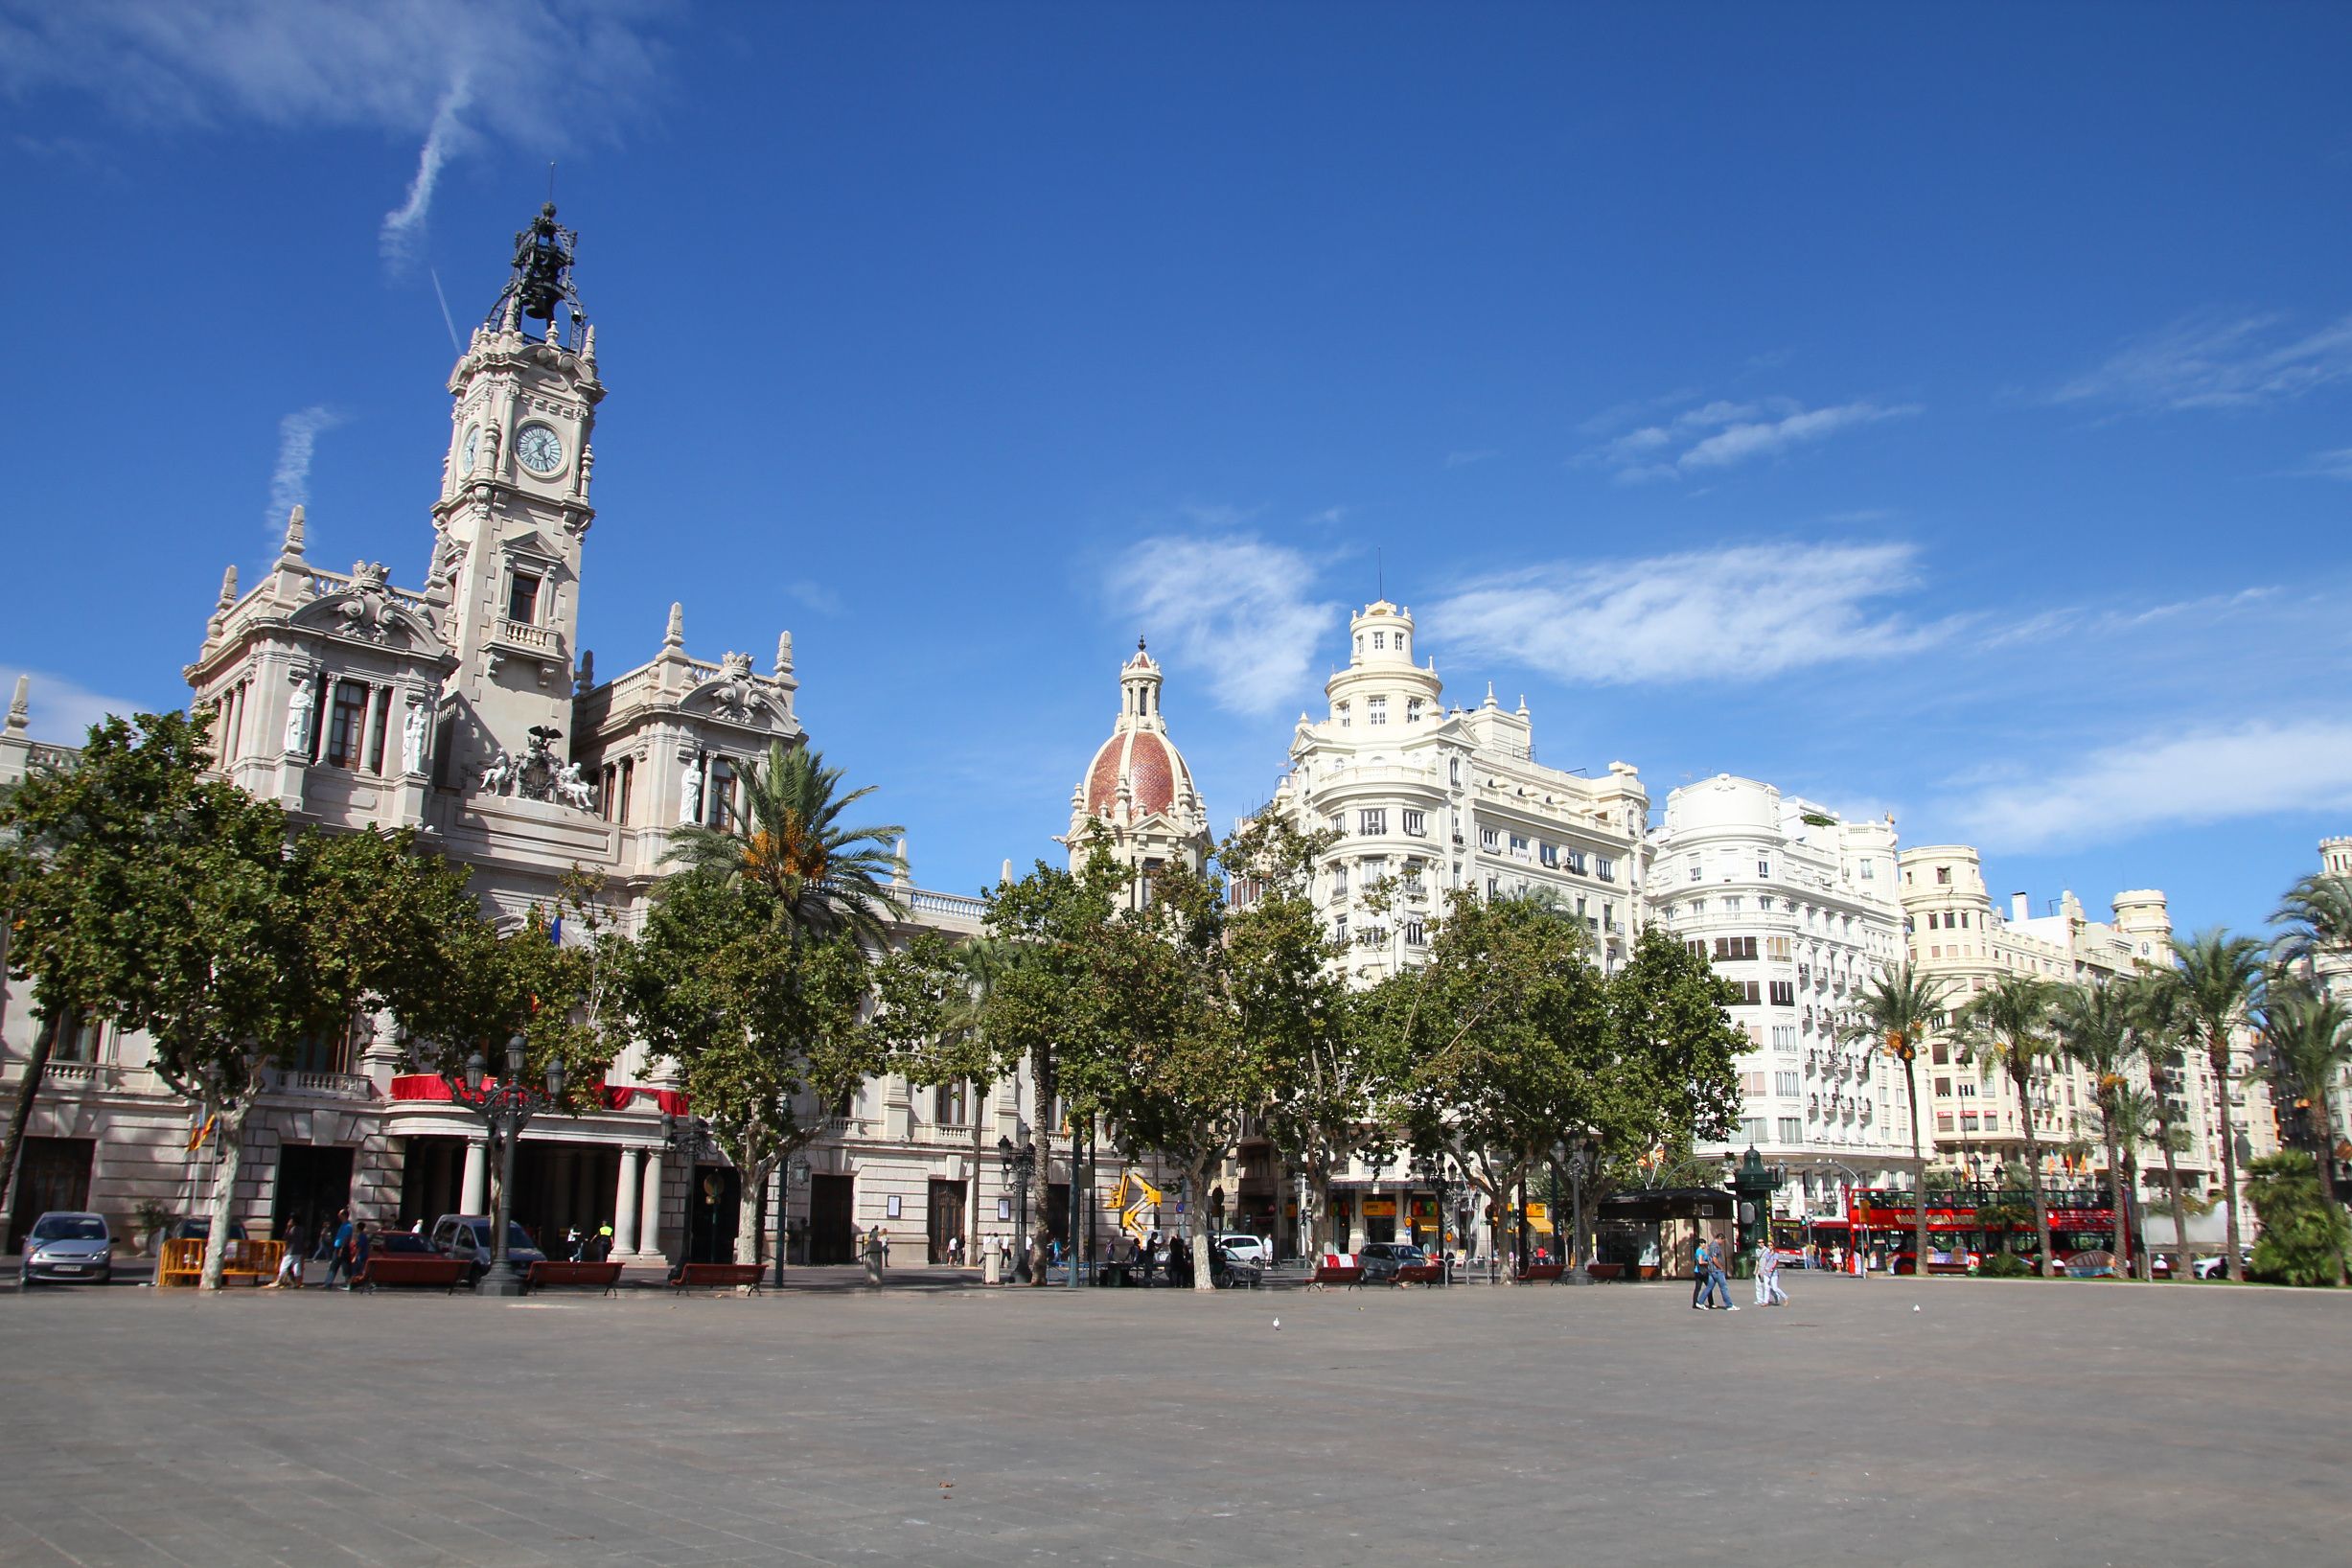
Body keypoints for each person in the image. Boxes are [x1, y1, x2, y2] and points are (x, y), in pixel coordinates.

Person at [322, 1211, 357, 1289]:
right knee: (335, 1265)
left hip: (342, 1248)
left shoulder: (348, 1226)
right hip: (338, 1247)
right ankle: (328, 1283)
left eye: (340, 1214)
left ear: (344, 1215)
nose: (338, 1215)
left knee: (345, 1266)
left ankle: (348, 1283)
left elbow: (347, 1238)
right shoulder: (343, 1225)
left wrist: (342, 1248)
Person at [273, 1222, 307, 1289]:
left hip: (291, 1251)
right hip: (298, 1251)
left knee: (284, 1266)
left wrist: (287, 1228)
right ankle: (298, 1282)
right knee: (297, 1267)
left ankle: (278, 1281)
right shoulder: (301, 1229)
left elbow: (286, 1237)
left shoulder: (292, 1229)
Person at [1754, 1241, 1788, 1306]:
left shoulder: (1775, 1254)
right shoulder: (1767, 1254)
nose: (1770, 1246)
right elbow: (1765, 1262)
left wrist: (1771, 1269)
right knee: (1766, 1287)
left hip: (1773, 1273)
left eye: (1771, 1245)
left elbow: (1775, 1263)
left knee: (1775, 1288)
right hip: (1766, 1273)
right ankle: (1765, 1302)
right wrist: (1763, 1270)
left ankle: (1785, 1297)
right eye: (1768, 1245)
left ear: (1773, 1246)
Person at [342, 1220, 371, 1290]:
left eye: (356, 1227)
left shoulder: (361, 1236)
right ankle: (365, 1285)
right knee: (361, 1271)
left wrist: (355, 1257)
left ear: (358, 1228)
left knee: (355, 1271)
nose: (355, 1228)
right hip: (363, 1255)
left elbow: (359, 1247)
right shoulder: (363, 1235)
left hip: (361, 1256)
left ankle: (350, 1285)